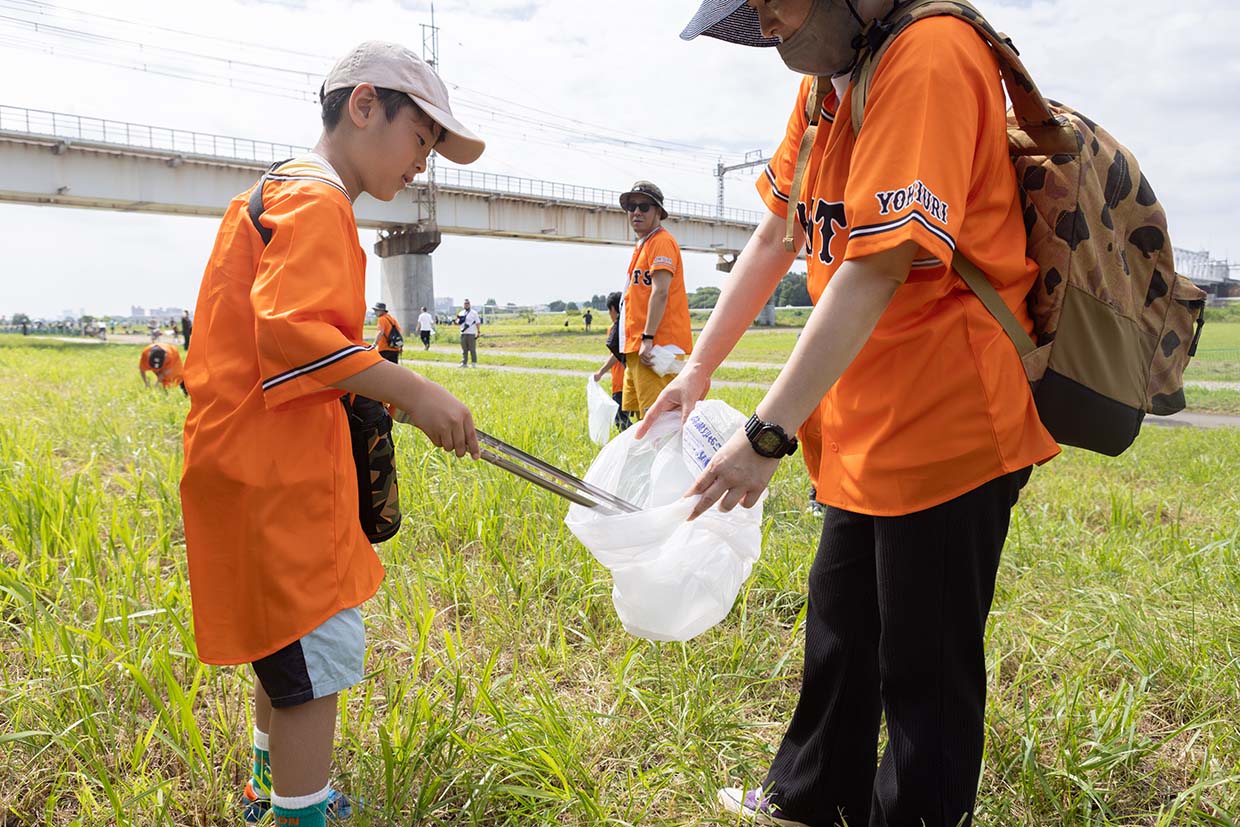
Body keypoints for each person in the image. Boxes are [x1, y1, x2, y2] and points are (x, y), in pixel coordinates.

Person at [649, 2, 1061, 826]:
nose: (767, 26)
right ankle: (809, 796)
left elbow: (880, 270)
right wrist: (697, 369)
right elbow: (776, 234)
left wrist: (766, 432)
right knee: (840, 624)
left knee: (926, 660)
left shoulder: (930, 57)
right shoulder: (829, 85)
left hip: (949, 419)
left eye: (777, 2)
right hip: (868, 414)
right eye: (755, 11)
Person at [179, 41, 484, 827]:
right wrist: (413, 389)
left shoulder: (275, 191)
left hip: (249, 466)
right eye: (421, 139)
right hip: (281, 481)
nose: (423, 164)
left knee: (282, 649)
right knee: (315, 660)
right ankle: (301, 814)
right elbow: (293, 335)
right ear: (363, 106)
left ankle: (264, 787)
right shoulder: (318, 202)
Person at [616, 180, 693, 418]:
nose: (636, 212)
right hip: (639, 348)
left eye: (644, 207)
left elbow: (661, 291)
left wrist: (647, 339)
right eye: (632, 207)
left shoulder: (661, 242)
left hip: (657, 347)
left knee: (658, 421)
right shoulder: (643, 245)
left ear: (658, 211)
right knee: (643, 420)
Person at [592, 290, 632, 432]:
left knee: (620, 418)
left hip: (621, 382)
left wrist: (601, 372)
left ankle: (634, 446)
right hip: (633, 379)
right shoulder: (633, 325)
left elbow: (616, 354)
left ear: (613, 309)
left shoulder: (616, 328)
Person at [457, 298, 481, 367]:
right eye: (465, 304)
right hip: (463, 333)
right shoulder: (461, 313)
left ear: (470, 305)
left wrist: (478, 331)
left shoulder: (474, 313)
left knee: (472, 349)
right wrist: (458, 320)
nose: (466, 305)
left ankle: (474, 363)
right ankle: (464, 363)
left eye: (467, 304)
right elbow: (458, 322)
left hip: (471, 333)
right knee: (464, 349)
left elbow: (478, 322)